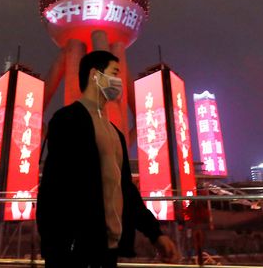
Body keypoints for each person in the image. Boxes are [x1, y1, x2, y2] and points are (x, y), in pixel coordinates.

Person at [37, 50, 179, 268]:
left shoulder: (115, 133)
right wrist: (56, 247)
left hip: (108, 248)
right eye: (114, 73)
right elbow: (54, 187)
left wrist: (155, 234)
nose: (119, 81)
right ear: (95, 75)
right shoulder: (67, 120)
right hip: (73, 249)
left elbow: (124, 189)